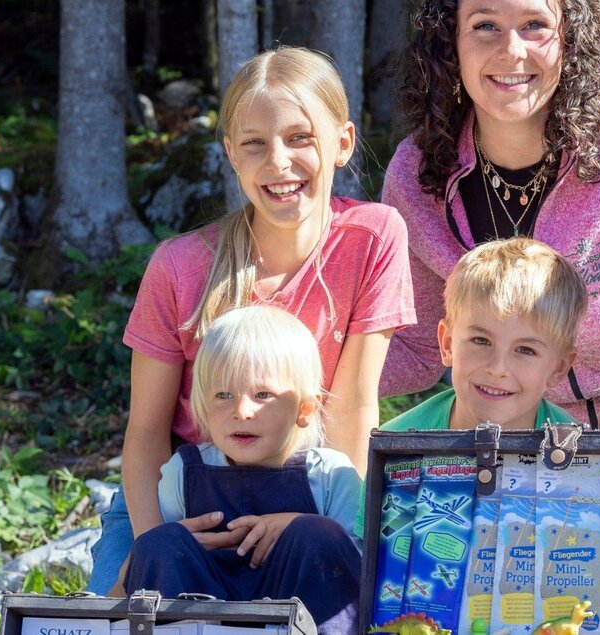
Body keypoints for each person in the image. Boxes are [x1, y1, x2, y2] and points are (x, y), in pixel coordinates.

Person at [86, 46, 416, 595]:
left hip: (310, 489)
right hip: (180, 498)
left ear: (342, 143)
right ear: (231, 155)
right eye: (255, 144)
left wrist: (334, 522)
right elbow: (146, 432)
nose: (278, 163)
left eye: (299, 137)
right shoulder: (181, 265)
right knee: (118, 616)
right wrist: (156, 540)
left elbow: (356, 407)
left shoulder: (374, 236)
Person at [379, 0, 600, 425]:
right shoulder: (416, 173)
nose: (512, 50)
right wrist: (295, 369)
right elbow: (415, 344)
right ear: (448, 43)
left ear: (571, 37)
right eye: (485, 26)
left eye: (535, 25)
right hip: (509, 447)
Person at [125, 305, 362, 633]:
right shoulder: (183, 471)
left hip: (300, 612)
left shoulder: (330, 474)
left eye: (262, 394)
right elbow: (169, 563)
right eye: (224, 394)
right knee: (158, 542)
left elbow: (356, 566)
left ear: (305, 409)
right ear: (204, 406)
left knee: (318, 534)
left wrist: (297, 525)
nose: (242, 411)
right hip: (204, 605)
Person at [356, 237, 587, 537]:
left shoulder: (580, 455)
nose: (497, 368)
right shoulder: (399, 448)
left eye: (525, 350)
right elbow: (373, 557)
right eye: (481, 341)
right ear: (448, 343)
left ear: (558, 367)